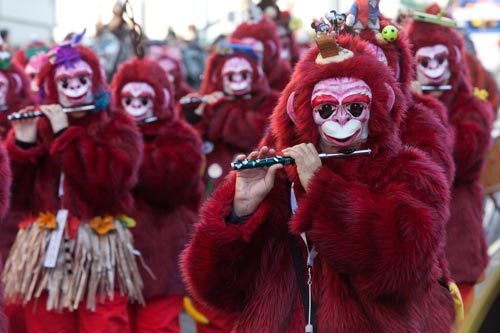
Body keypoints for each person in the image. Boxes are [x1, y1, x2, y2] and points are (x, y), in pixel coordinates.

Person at [181, 32, 455, 333]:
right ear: (301, 113)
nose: (340, 120)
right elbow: (215, 289)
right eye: (326, 109)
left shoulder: (411, 172)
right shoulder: (279, 178)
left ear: (377, 108)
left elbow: (399, 271)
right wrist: (239, 212)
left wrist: (321, 190)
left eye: (354, 108)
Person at [2, 32, 144, 333]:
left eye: (82, 80)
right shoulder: (36, 124)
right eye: (65, 83)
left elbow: (107, 186)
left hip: (99, 246)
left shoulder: (118, 126)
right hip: (43, 248)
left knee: (105, 323)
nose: (75, 89)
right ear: (52, 87)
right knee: (47, 324)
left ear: (96, 82)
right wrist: (23, 146)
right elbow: (15, 198)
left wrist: (65, 136)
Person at [407, 4, 495, 315]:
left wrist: (424, 108)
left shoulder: (472, 108)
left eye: (440, 59)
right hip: (414, 258)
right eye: (423, 60)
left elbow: (456, 157)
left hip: (458, 248)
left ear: (454, 61)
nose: (433, 69)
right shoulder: (403, 107)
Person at [111, 57, 204, 333]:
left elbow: (169, 187)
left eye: (145, 97)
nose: (137, 104)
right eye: (128, 98)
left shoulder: (181, 136)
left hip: (161, 256)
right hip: (115, 257)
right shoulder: (108, 131)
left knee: (159, 326)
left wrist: (130, 147)